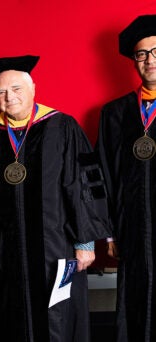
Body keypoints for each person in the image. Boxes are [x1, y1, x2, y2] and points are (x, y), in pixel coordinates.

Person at [0, 55, 110, 341]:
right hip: (6, 248)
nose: (10, 97)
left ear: (33, 88)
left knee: (59, 314)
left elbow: (84, 183)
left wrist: (84, 241)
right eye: (1, 92)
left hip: (58, 246)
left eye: (17, 89)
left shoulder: (62, 127)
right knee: (13, 315)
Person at [96, 14, 156, 341]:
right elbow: (102, 173)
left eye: (155, 51)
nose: (149, 60)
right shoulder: (115, 113)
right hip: (130, 227)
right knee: (135, 299)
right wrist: (109, 233)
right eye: (142, 54)